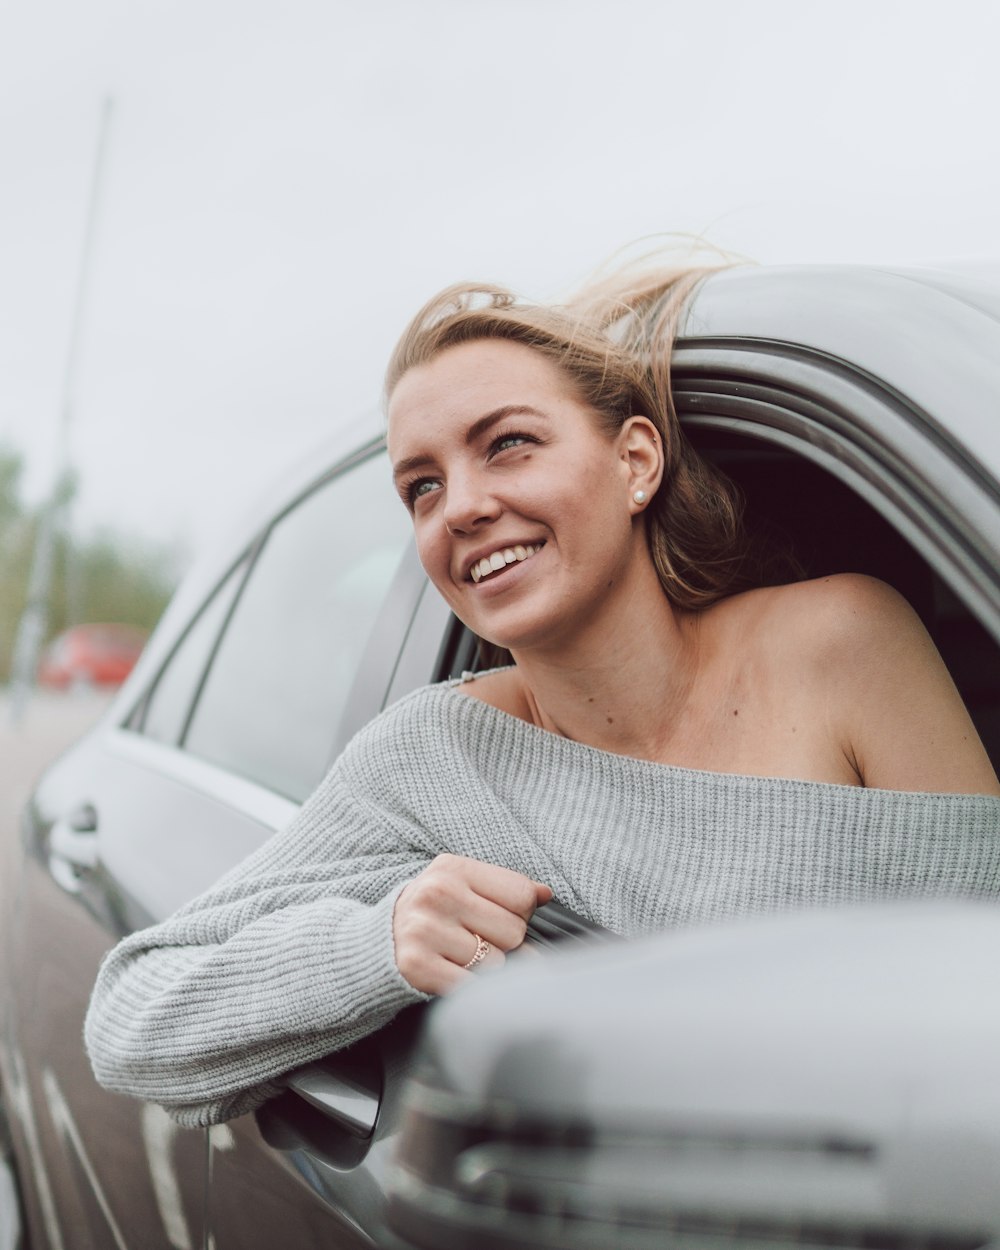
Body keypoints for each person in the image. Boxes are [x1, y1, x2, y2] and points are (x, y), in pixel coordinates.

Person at [85, 257, 1000, 1126]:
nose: (462, 508)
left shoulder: (843, 641)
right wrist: (377, 946)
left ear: (635, 462)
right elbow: (131, 1020)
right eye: (422, 487)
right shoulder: (434, 756)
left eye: (510, 444)